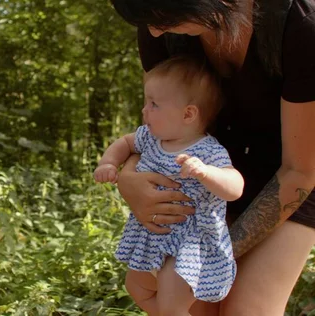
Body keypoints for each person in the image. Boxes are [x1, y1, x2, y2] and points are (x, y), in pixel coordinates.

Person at [109, 0, 315, 314]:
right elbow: (161, 127)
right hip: (204, 176)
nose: (152, 30)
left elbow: (301, 171)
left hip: (294, 174)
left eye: (159, 15)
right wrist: (128, 179)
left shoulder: (303, 27)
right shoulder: (159, 22)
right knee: (181, 300)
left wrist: (211, 255)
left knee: (244, 309)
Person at [95, 56, 244, 315]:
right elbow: (124, 143)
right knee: (136, 289)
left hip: (188, 245)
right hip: (151, 238)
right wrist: (108, 163)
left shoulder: (208, 152)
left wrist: (206, 172)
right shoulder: (150, 138)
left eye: (154, 104)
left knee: (170, 306)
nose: (144, 110)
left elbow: (235, 186)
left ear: (188, 114)